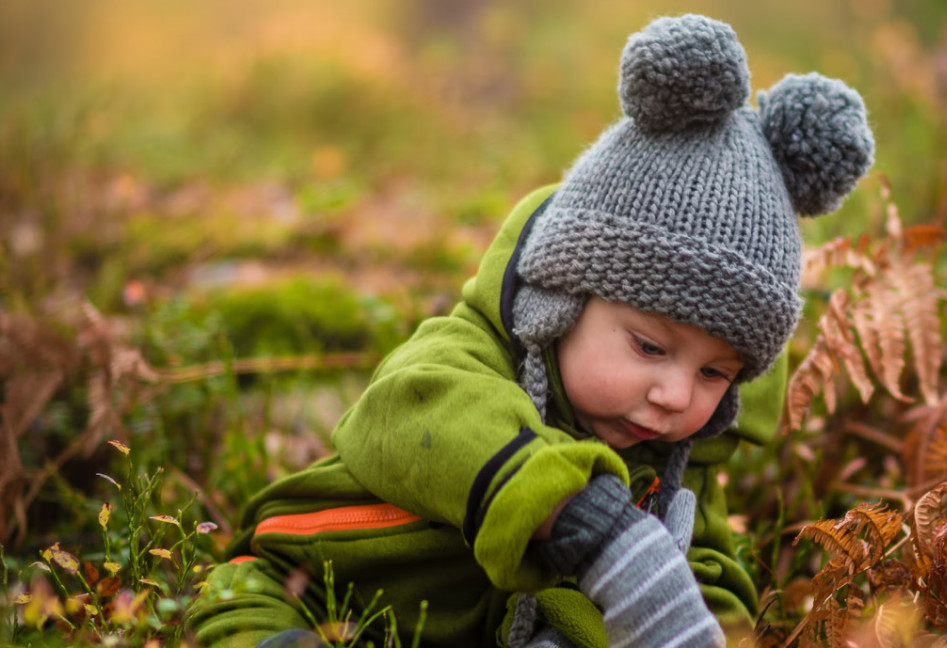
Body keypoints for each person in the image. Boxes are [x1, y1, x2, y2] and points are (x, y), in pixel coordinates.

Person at [186, 13, 873, 648]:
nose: (673, 394)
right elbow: (410, 411)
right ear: (560, 300)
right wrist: (587, 524)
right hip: (302, 587)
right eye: (650, 347)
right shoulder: (465, 359)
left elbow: (707, 581)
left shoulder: (675, 463)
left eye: (713, 373)